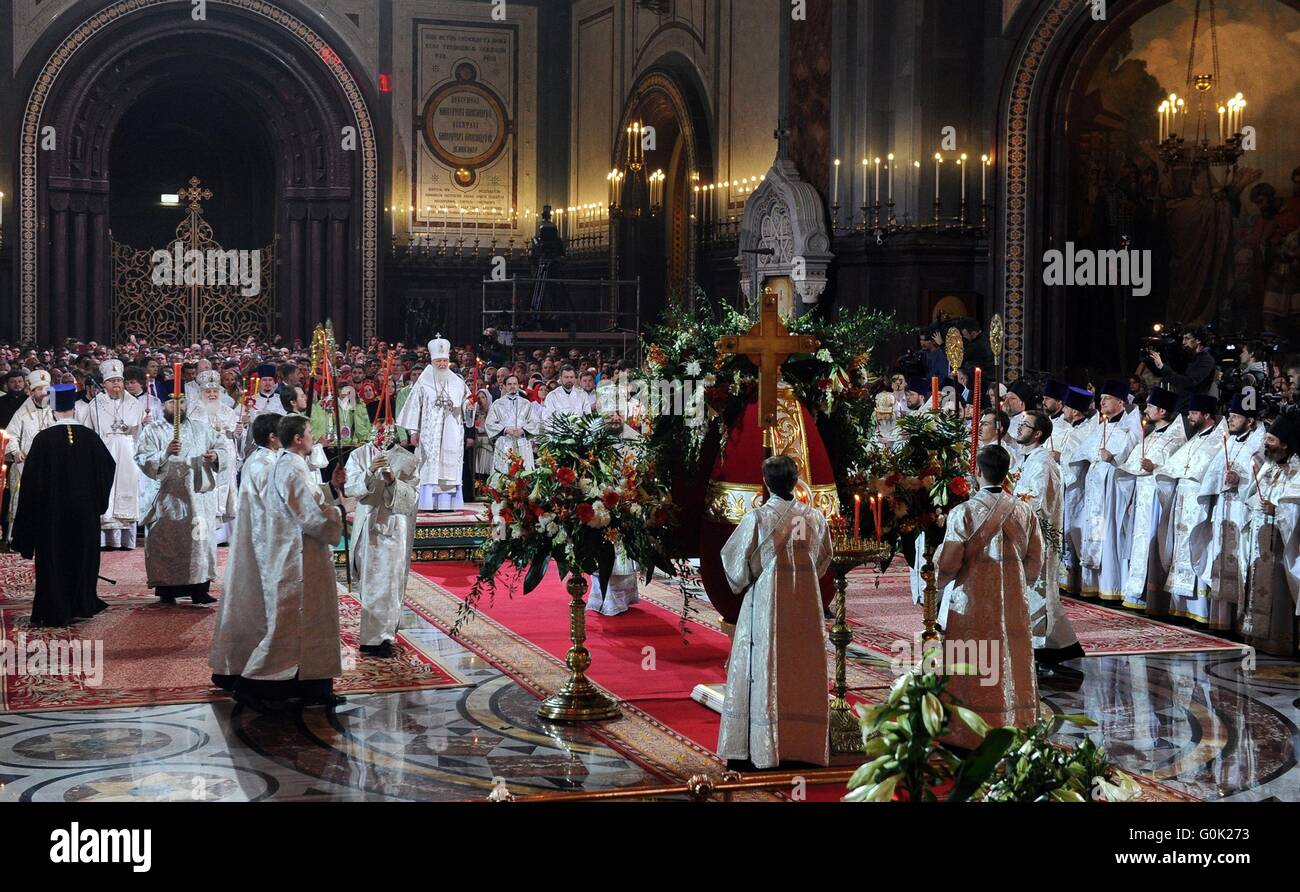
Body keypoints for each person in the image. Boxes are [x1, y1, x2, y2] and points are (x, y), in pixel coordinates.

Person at [717, 455, 832, 771]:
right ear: (796, 481)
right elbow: (824, 560)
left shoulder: (757, 519)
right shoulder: (815, 518)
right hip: (805, 606)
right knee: (800, 668)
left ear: (766, 482)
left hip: (766, 606)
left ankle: (762, 750)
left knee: (766, 666)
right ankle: (801, 746)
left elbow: (736, 568)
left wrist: (760, 573)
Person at [236, 414, 347, 710]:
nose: (313, 437)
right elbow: (310, 516)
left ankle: (314, 685)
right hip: (297, 558)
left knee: (309, 623)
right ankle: (255, 685)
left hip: (300, 554)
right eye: (310, 432)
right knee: (291, 625)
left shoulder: (289, 464)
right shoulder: (291, 468)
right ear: (298, 439)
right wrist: (339, 512)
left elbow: (307, 498)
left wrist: (332, 490)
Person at [934, 445, 1042, 747]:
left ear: (977, 472)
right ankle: (1012, 719)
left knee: (971, 656)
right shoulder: (1024, 510)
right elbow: (1036, 559)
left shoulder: (964, 512)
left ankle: (965, 726)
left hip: (971, 599)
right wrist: (1020, 584)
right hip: (1011, 598)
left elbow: (949, 564)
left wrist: (936, 576)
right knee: (1008, 653)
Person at [11, 384, 117, 627]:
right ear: (73, 409)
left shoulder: (43, 439)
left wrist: (31, 518)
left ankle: (55, 607)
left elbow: (31, 483)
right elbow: (108, 469)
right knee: (82, 556)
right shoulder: (91, 438)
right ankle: (83, 602)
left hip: (52, 516)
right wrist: (96, 502)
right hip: (84, 514)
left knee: (55, 559)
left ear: (53, 409)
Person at [135, 379, 225, 605]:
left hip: (197, 498)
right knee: (167, 542)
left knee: (199, 544)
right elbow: (142, 458)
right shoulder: (152, 430)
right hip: (167, 498)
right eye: (172, 403)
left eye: (182, 402)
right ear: (163, 405)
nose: (178, 408)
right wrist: (164, 454)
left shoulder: (201, 427)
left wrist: (215, 456)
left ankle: (199, 588)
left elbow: (223, 446)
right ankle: (167, 590)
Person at [210, 414, 281, 690]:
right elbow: (272, 504)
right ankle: (244, 667)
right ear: (272, 437)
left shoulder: (268, 460)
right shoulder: (263, 463)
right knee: (252, 604)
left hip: (261, 539)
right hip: (260, 543)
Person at [1189, 393, 1267, 632]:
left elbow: (1263, 478)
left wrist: (1240, 479)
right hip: (1224, 511)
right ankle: (1222, 620)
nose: (1230, 421)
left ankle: (1240, 621)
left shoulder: (1261, 443)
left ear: (1250, 421)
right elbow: (1212, 475)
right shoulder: (1230, 440)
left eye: (1235, 417)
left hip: (1242, 515)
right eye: (1230, 416)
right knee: (1221, 561)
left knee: (1241, 562)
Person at [1011, 410, 1083, 670]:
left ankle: (1040, 649)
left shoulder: (1043, 464)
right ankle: (1063, 646)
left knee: (1040, 592)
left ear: (1038, 433)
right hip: (1026, 536)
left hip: (1038, 538)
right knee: (1039, 593)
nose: (1019, 429)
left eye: (1025, 425)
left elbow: (1036, 503)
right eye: (1020, 424)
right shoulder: (1028, 459)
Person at [344, 429, 420, 657]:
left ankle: (385, 636)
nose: (382, 430)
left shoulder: (408, 459)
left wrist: (392, 481)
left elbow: (413, 496)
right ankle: (370, 636)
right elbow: (349, 488)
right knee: (370, 579)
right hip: (368, 525)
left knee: (391, 580)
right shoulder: (359, 455)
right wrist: (369, 471)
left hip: (394, 527)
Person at [1153, 394, 1224, 622]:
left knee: (1196, 546)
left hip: (1198, 503)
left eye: (1194, 414)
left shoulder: (1217, 441)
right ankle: (1180, 607)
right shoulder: (1194, 440)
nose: (1190, 418)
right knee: (1179, 549)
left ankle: (1198, 610)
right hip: (1182, 500)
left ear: (1206, 415)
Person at [1236, 414, 1300, 656]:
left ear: (1284, 444)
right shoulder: (1269, 466)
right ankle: (1255, 634)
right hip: (1259, 539)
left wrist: (1277, 509)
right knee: (1256, 584)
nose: (1266, 444)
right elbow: (1251, 496)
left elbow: (1295, 508)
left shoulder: (1296, 470)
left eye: (1271, 440)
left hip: (1280, 543)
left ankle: (1278, 639)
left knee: (1276, 590)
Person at [1075, 380, 1138, 601]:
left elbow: (1133, 457)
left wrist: (1114, 458)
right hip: (1095, 487)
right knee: (1092, 529)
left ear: (1120, 402)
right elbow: (1082, 452)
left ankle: (1112, 587)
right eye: (1101, 398)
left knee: (1110, 532)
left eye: (1107, 398)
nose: (1101, 401)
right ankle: (1092, 585)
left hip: (1113, 486)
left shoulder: (1130, 428)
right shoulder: (1100, 426)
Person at [396, 337, 474, 511]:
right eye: (438, 361)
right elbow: (414, 407)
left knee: (449, 468)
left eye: (445, 361)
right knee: (430, 467)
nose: (442, 364)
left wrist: (469, 406)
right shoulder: (424, 382)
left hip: (452, 430)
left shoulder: (457, 382)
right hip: (430, 433)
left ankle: (448, 503)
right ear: (432, 361)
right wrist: (414, 431)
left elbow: (466, 404)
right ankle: (428, 503)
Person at [78, 359, 145, 549]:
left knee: (125, 491)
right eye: (112, 381)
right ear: (104, 384)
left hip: (127, 452)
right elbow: (88, 430)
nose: (116, 384)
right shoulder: (95, 405)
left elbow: (140, 433)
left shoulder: (134, 404)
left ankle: (126, 541)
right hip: (104, 451)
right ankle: (104, 541)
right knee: (106, 491)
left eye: (119, 380)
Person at [189, 370, 242, 544]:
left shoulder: (228, 411)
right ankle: (204, 534)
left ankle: (224, 535)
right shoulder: (192, 411)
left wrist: (238, 433)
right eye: (208, 391)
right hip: (203, 456)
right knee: (205, 492)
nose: (212, 394)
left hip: (225, 458)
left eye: (215, 391)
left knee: (224, 493)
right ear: (201, 393)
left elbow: (236, 437)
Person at [4, 370, 54, 537]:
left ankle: (48, 534)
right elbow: (11, 435)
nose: (43, 392)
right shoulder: (22, 412)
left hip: (50, 464)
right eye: (38, 389)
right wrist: (16, 451)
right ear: (31, 391)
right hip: (26, 462)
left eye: (46, 388)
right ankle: (18, 536)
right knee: (21, 498)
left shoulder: (56, 410)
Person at [1057, 387, 1095, 596]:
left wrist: (1058, 457)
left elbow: (1077, 461)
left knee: (1072, 530)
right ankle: (1063, 578)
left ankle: (1075, 580)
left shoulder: (1086, 431)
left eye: (1066, 406)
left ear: (1075, 411)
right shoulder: (1067, 428)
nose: (1063, 409)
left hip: (1075, 489)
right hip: (1061, 487)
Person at [484, 373, 541, 480]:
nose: (512, 386)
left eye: (515, 384)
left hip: (522, 441)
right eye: (509, 384)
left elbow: (535, 422)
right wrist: (505, 430)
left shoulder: (526, 403)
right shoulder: (498, 404)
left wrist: (523, 430)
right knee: (504, 474)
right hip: (504, 441)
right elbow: (489, 423)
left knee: (523, 474)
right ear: (504, 386)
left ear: (519, 385)